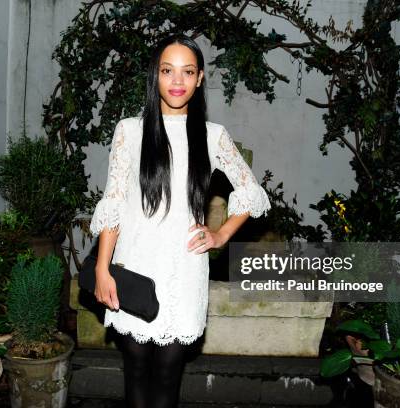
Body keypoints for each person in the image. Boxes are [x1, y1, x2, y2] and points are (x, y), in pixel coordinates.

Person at [88, 33, 271, 408]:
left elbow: (251, 193)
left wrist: (220, 235)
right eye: (168, 71)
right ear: (155, 75)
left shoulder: (213, 136)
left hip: (184, 272)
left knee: (169, 373)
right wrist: (102, 269)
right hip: (135, 267)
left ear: (200, 78)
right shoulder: (130, 131)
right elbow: (114, 204)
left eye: (187, 72)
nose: (177, 81)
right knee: (136, 367)